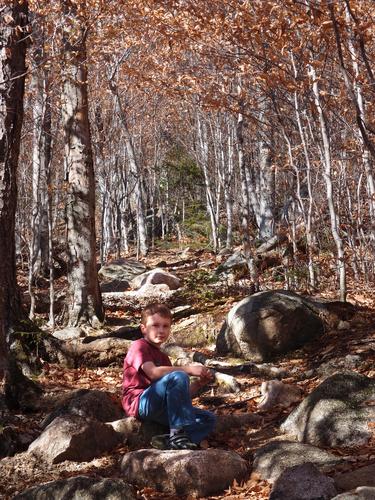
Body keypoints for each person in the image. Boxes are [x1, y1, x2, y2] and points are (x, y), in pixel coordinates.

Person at [121, 302, 216, 450]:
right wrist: (189, 369)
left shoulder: (164, 358)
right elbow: (152, 373)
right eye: (155, 325)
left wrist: (199, 384)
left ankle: (168, 440)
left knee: (207, 418)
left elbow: (179, 398)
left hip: (160, 406)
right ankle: (178, 435)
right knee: (178, 375)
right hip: (139, 402)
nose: (161, 330)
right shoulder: (139, 346)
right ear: (143, 329)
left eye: (165, 326)